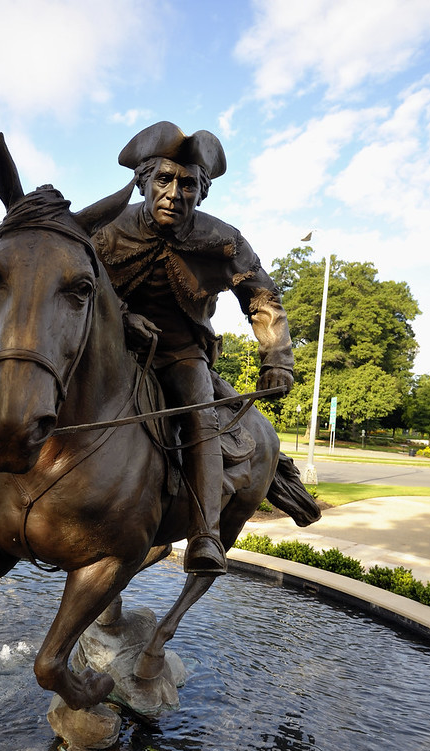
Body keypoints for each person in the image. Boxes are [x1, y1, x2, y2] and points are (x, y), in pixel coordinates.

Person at [92, 122, 294, 575]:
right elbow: (77, 288)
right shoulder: (106, 231)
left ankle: (204, 534)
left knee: (200, 414)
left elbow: (261, 296)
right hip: (113, 349)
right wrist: (123, 319)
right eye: (163, 180)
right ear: (144, 182)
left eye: (188, 184)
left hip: (182, 355)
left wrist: (277, 357)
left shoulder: (224, 240)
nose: (174, 192)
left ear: (201, 193)